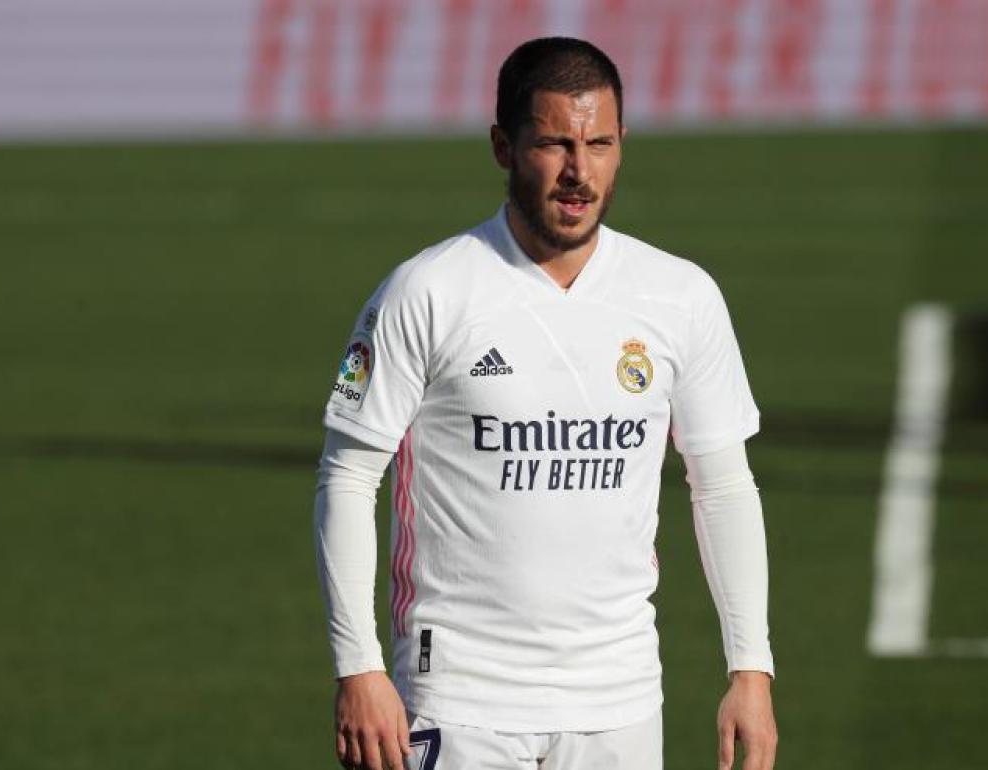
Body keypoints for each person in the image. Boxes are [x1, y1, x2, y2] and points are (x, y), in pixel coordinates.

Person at [312, 37, 777, 770]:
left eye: (599, 144)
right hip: (459, 699)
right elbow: (346, 476)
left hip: (618, 702)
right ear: (504, 146)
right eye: (554, 144)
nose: (578, 172)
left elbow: (722, 486)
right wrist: (359, 667)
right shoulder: (426, 292)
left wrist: (750, 668)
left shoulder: (681, 296)